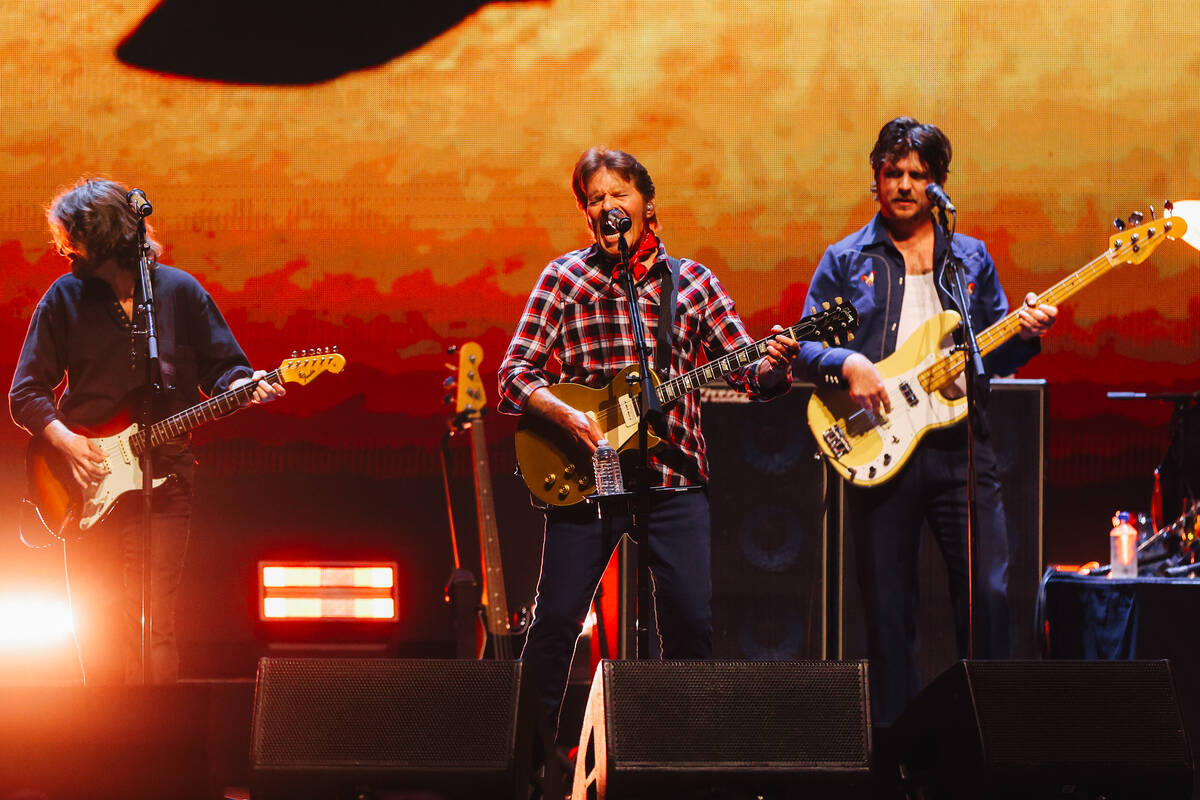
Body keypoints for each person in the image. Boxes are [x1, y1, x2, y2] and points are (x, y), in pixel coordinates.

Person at [498, 147, 798, 726]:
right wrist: (568, 417)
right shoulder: (565, 279)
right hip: (588, 479)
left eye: (620, 194)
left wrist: (778, 361)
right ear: (587, 214)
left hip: (673, 479)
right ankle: (526, 764)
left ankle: (682, 760)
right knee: (557, 621)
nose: (608, 207)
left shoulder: (692, 284)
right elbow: (514, 375)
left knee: (689, 623)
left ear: (647, 203)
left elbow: (749, 374)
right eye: (596, 199)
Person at [795, 117, 1057, 725]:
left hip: (961, 452)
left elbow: (995, 357)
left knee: (988, 598)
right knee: (889, 611)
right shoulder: (846, 259)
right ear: (876, 179)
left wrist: (1026, 332)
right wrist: (849, 361)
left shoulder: (969, 259)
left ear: (938, 185)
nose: (905, 185)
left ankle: (984, 739)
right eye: (893, 173)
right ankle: (898, 754)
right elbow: (804, 348)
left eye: (918, 175)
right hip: (882, 450)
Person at [9, 177, 285, 685]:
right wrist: (67, 442)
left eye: (81, 244)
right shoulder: (65, 297)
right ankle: (110, 749)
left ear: (110, 239)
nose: (72, 255)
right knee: (96, 627)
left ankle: (160, 750)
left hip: (166, 478)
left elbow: (224, 369)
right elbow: (26, 393)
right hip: (84, 480)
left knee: (154, 623)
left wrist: (248, 383)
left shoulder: (179, 292)